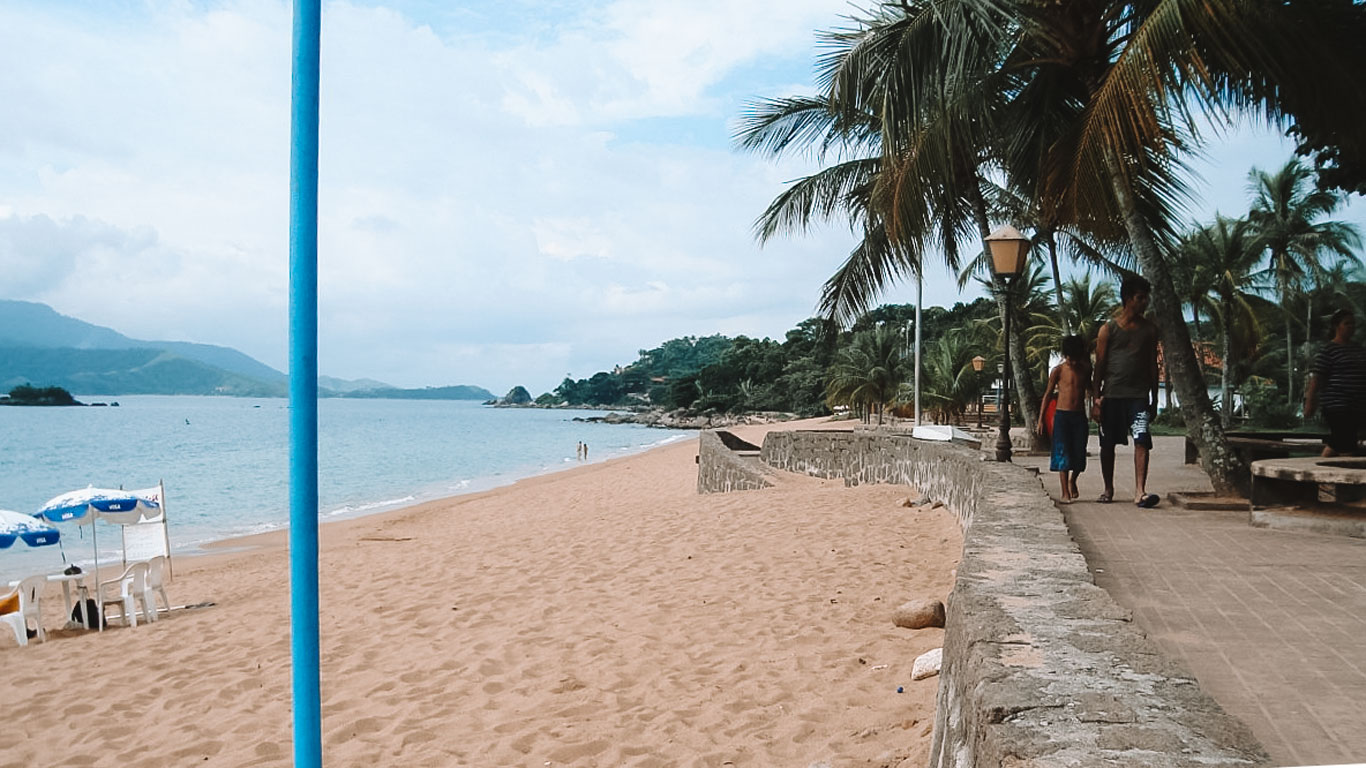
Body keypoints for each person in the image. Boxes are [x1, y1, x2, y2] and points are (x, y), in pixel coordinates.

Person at [1092, 274, 1161, 507]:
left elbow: (1153, 364)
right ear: (1128, 299)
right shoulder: (1108, 330)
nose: (1145, 303)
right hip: (1112, 396)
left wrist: (1154, 399)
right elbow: (1099, 366)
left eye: (1146, 298)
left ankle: (1140, 490)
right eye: (1140, 298)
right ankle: (1108, 488)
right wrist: (1096, 399)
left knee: (1142, 439)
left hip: (1139, 398)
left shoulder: (1150, 330)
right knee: (1107, 444)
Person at [1303, 308, 1366, 456]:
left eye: (1353, 324)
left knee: (1340, 442)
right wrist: (1310, 401)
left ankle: (1320, 469)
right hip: (1337, 404)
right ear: (1336, 326)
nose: (1351, 327)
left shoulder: (1358, 350)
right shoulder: (1329, 350)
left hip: (1357, 404)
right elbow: (1317, 378)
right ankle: (1342, 474)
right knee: (1345, 443)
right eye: (1347, 323)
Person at [1038, 335, 1093, 503]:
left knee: (1078, 453)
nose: (1073, 363)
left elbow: (1090, 389)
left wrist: (1097, 404)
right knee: (1063, 454)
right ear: (1065, 356)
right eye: (1070, 359)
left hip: (1079, 416)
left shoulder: (1085, 369)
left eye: (1075, 359)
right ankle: (1064, 492)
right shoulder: (1058, 371)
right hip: (1062, 415)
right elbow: (1047, 395)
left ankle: (1073, 480)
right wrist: (1041, 419)